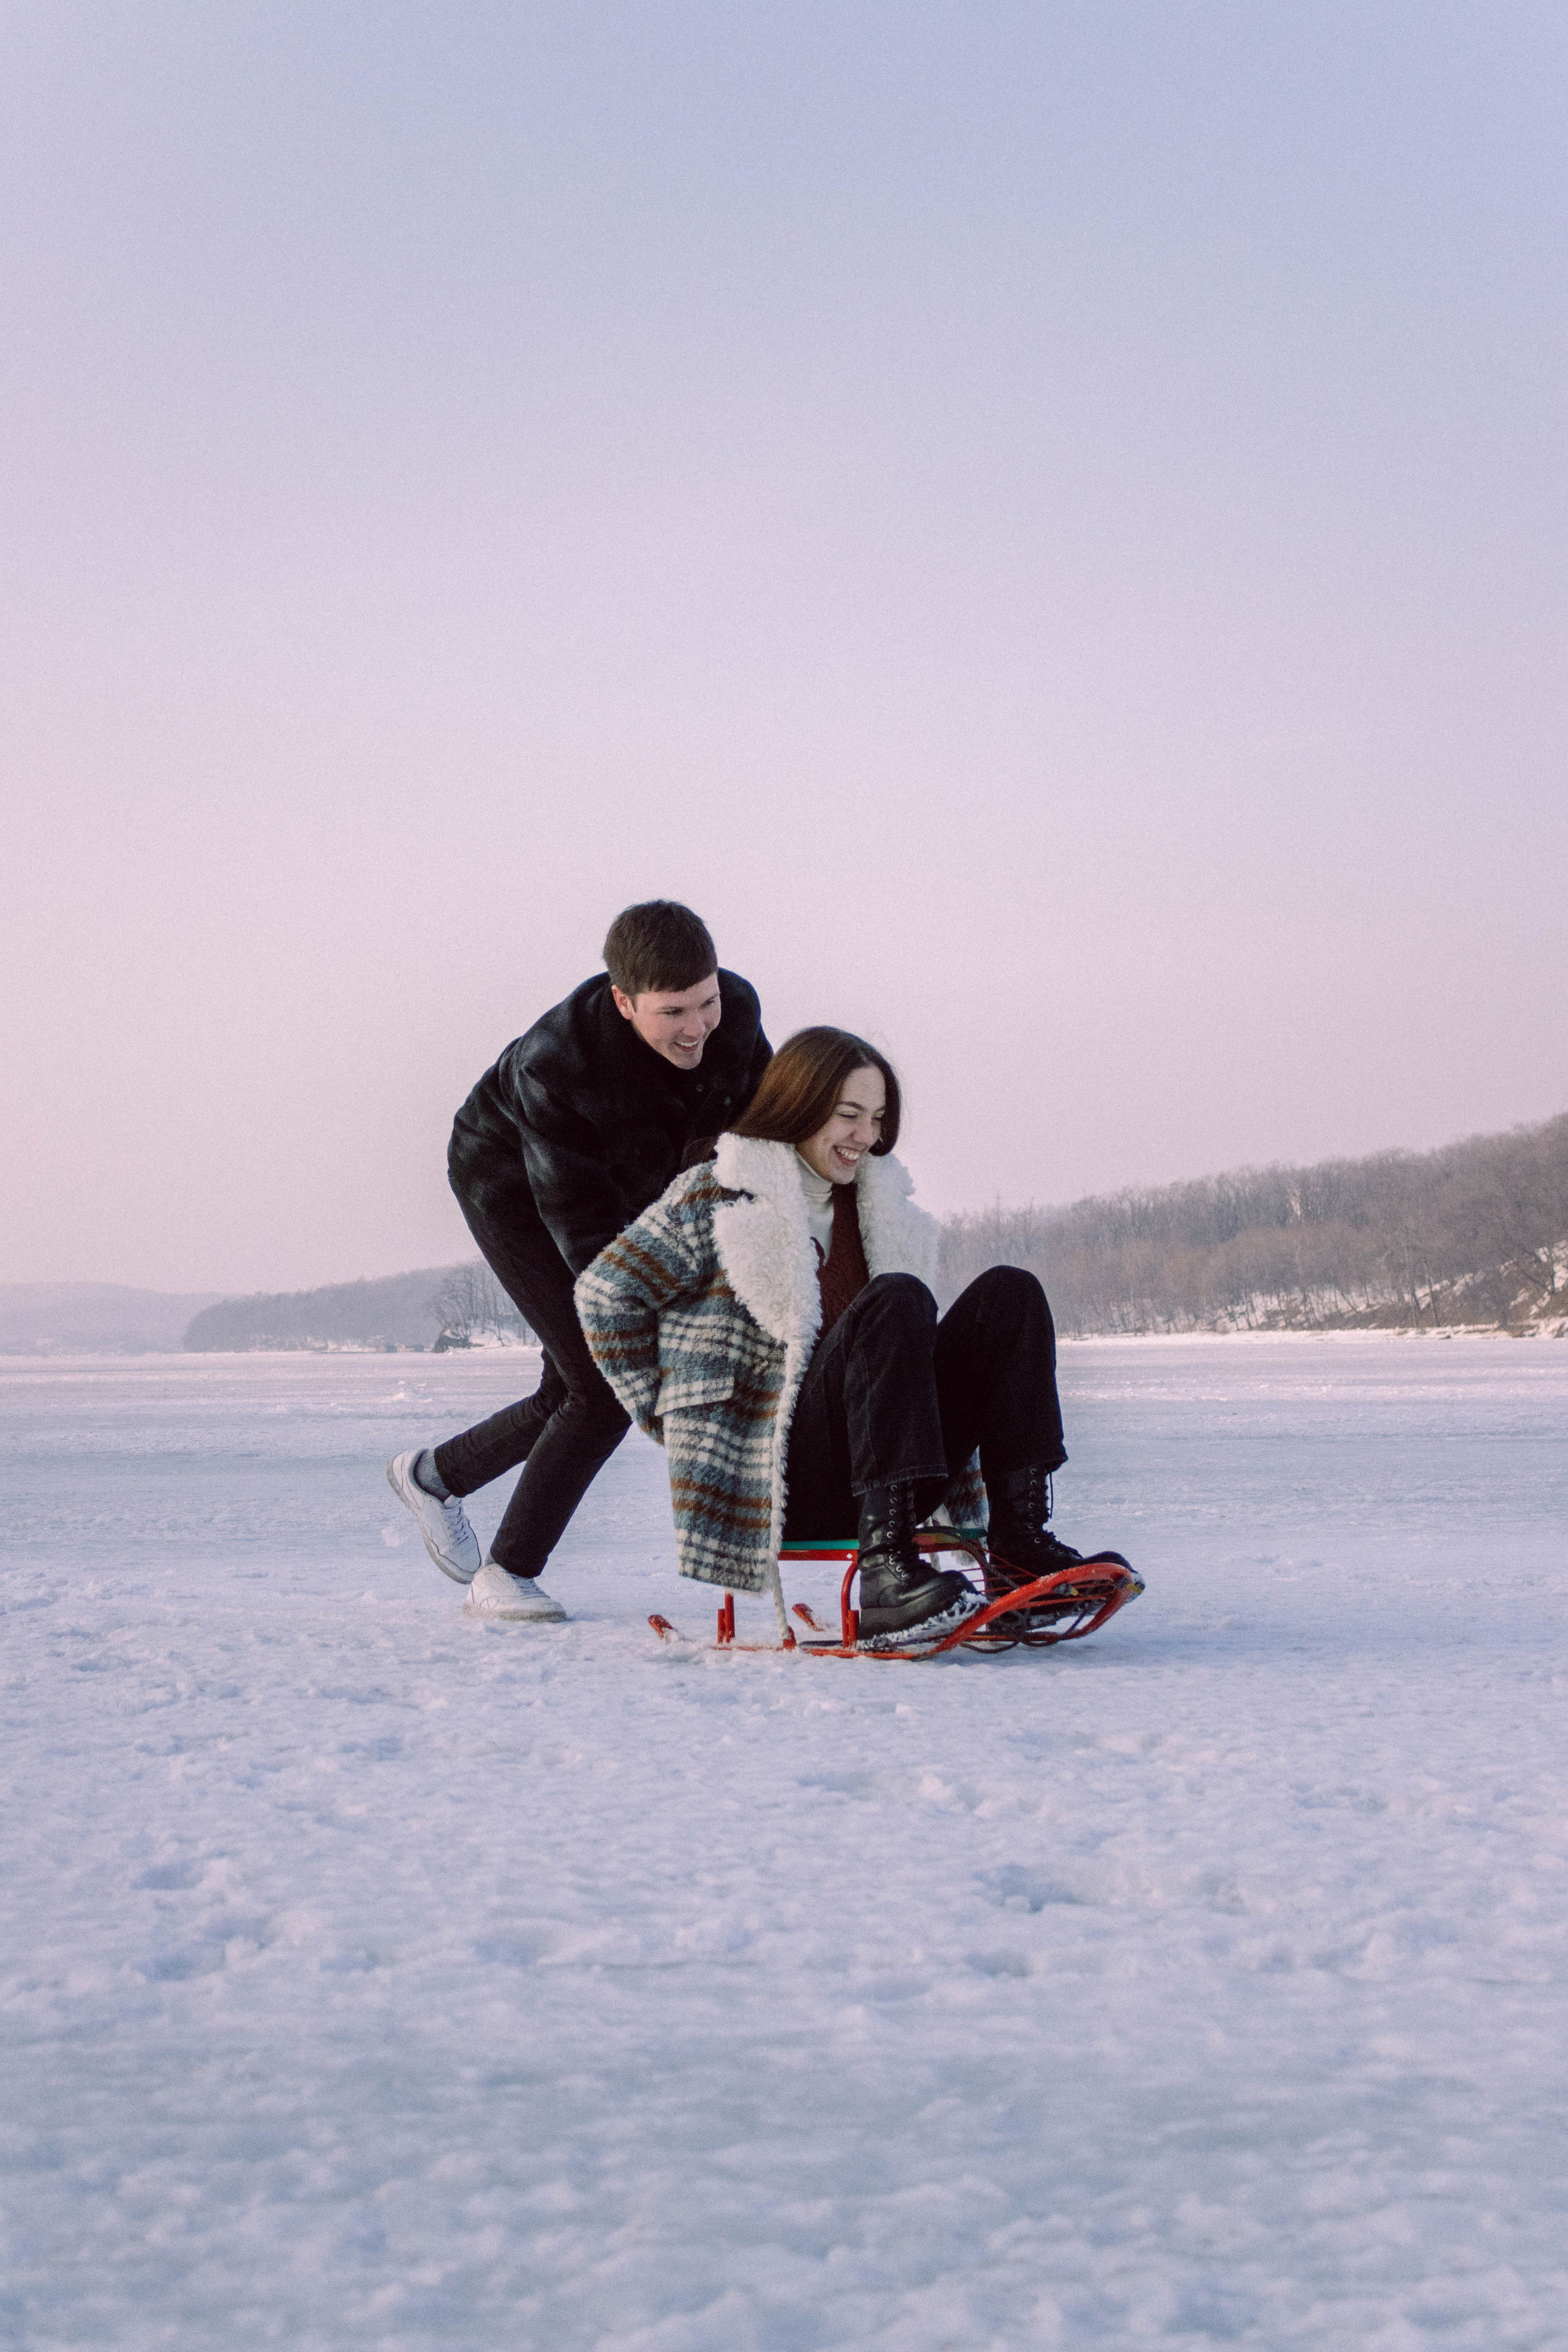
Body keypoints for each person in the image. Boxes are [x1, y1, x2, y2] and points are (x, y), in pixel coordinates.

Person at [574, 1026, 1131, 1649]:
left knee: (1009, 1293)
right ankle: (885, 1574)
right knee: (896, 1297)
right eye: (848, 1116)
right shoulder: (718, 1196)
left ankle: (1019, 1546)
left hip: (893, 1461)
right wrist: (675, 1414)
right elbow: (604, 1295)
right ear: (799, 1106)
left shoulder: (874, 1204)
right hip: (785, 1476)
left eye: (876, 1118)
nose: (865, 1137)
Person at [387, 901, 771, 1621]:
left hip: (632, 1180)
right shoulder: (554, 1068)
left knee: (569, 1382)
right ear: (623, 1002)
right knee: (597, 1383)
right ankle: (505, 1574)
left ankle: (435, 1475)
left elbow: (761, 1138)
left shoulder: (737, 1015)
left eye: (707, 1002)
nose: (697, 1027)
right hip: (514, 1191)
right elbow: (588, 1244)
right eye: (673, 1011)